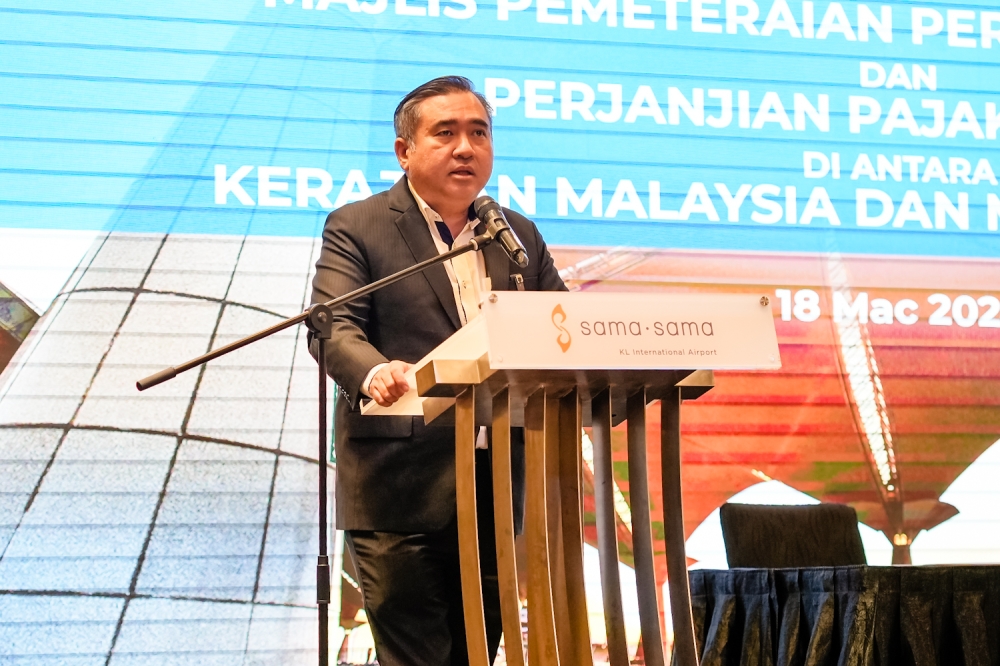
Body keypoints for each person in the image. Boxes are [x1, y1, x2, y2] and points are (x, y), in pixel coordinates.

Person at [309, 75, 566, 666]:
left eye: (479, 133)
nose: (466, 148)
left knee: (477, 654)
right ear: (405, 151)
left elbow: (563, 331)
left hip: (497, 485)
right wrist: (374, 373)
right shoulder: (359, 225)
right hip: (399, 484)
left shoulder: (516, 235)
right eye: (445, 133)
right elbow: (333, 326)